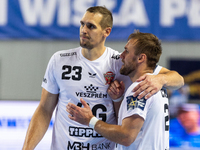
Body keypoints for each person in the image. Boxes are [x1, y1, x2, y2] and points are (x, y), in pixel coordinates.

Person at [22, 6, 183, 150]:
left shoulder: (121, 63)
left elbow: (178, 79)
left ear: (107, 31)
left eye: (91, 26)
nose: (83, 30)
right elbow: (44, 110)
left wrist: (160, 79)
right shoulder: (60, 60)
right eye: (82, 24)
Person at [67, 31, 172, 150]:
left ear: (141, 58)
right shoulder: (158, 86)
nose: (121, 55)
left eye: (126, 51)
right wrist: (118, 99)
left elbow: (126, 137)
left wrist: (89, 120)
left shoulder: (140, 88)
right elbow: (131, 128)